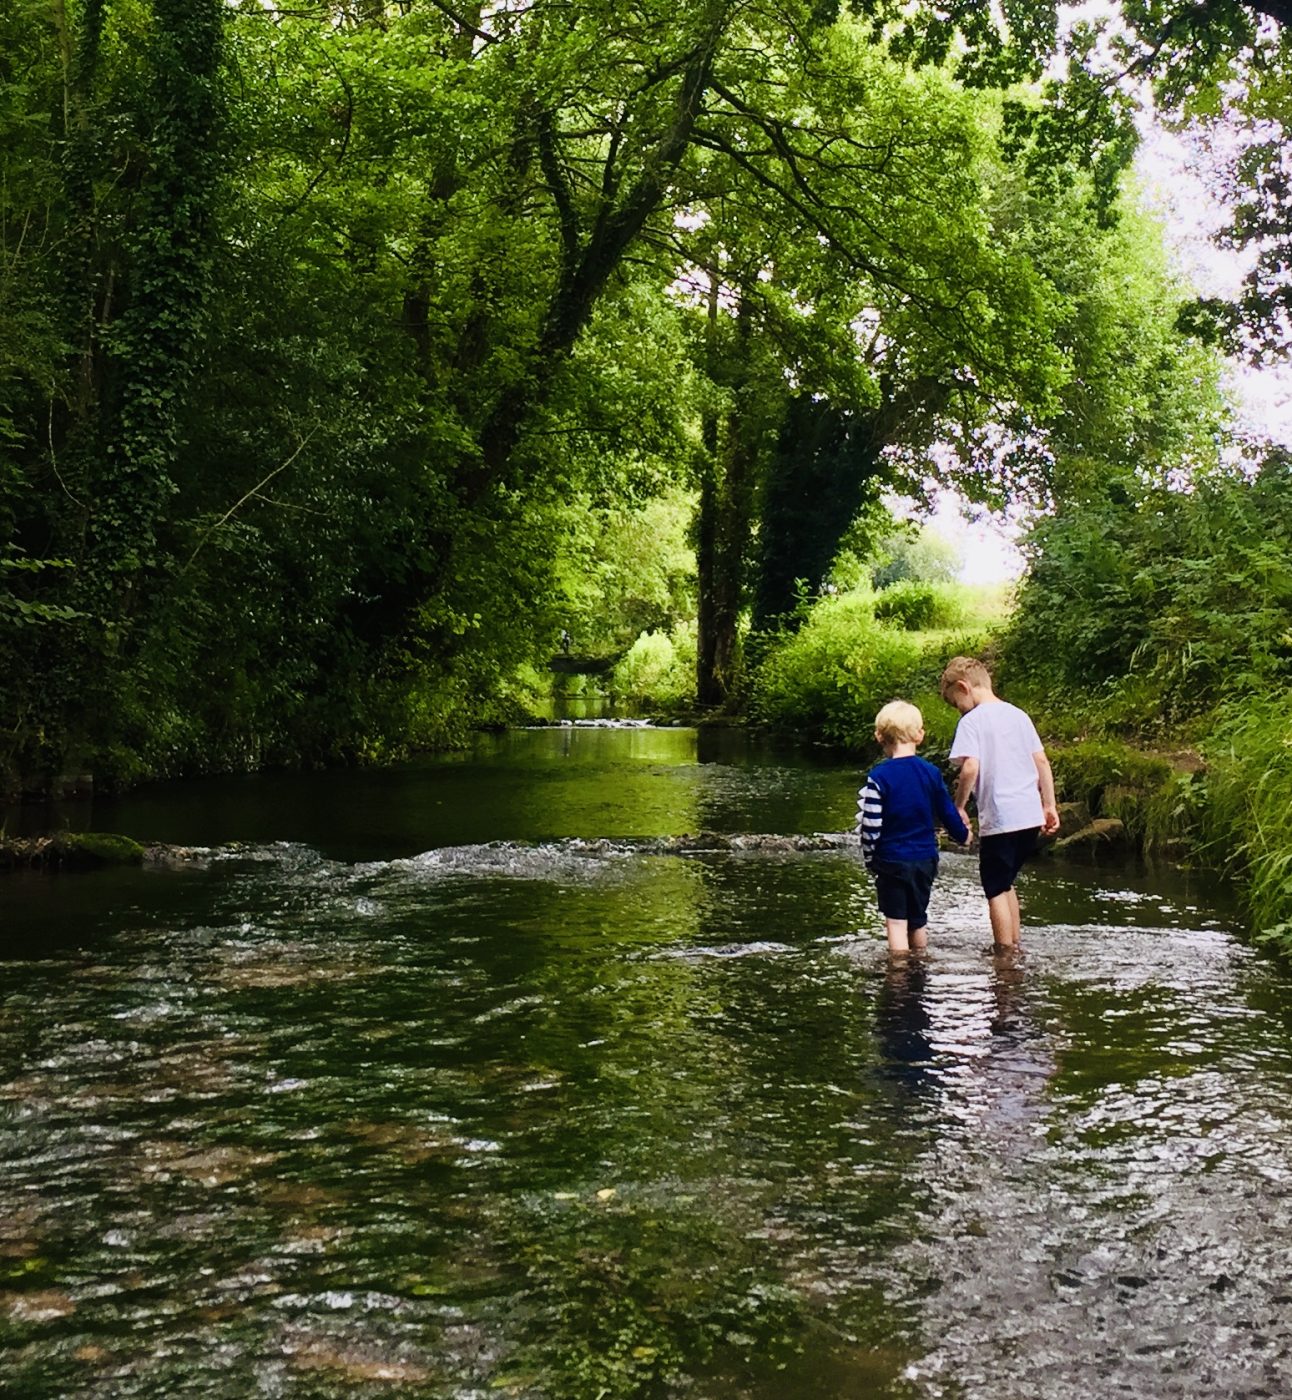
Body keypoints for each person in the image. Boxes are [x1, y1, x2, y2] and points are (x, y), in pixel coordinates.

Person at [939, 656, 1060, 953]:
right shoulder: (1018, 715)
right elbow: (1041, 761)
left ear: (964, 687)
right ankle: (1016, 944)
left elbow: (970, 768)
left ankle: (1004, 952)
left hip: (1001, 818)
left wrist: (958, 807)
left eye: (956, 703)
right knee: (1006, 881)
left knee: (993, 886)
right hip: (1030, 816)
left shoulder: (972, 722)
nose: (959, 710)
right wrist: (1049, 805)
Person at [857, 699, 969, 956]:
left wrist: (870, 858)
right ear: (920, 735)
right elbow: (946, 811)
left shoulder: (878, 776)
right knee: (918, 917)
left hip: (891, 860)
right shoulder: (930, 773)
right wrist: (963, 835)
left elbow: (870, 824)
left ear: (879, 736)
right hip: (924, 860)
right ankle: (920, 964)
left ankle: (898, 974)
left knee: (896, 921)